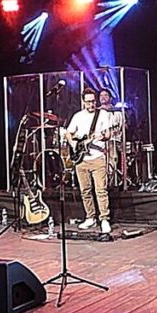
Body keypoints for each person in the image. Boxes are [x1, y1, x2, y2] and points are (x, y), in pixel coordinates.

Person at [65, 88, 115, 234]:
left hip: (97, 157)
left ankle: (104, 218)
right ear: (83, 102)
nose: (91, 104)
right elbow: (68, 133)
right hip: (81, 159)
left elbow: (108, 134)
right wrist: (73, 144)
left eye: (93, 101)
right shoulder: (78, 116)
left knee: (101, 190)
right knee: (85, 190)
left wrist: (103, 136)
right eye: (88, 102)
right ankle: (90, 217)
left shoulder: (103, 114)